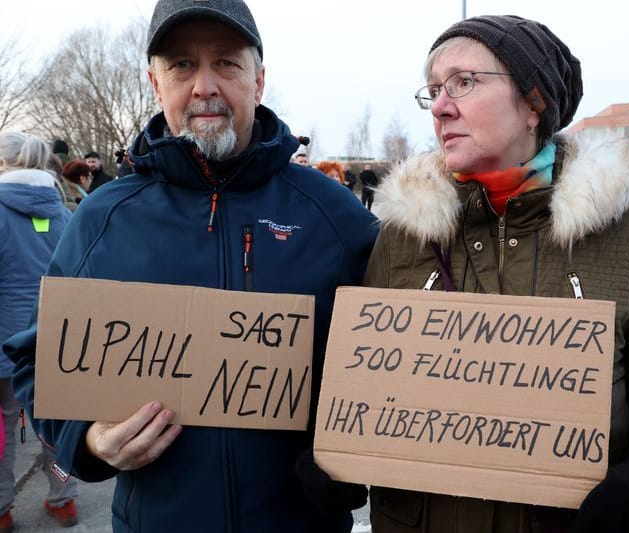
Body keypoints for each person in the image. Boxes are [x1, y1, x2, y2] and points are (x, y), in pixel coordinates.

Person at [2, 1, 376, 531]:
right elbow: (37, 361)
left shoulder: (337, 217)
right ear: (156, 84)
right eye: (181, 64)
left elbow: (388, 371)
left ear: (259, 81)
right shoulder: (103, 217)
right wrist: (87, 440)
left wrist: (354, 453)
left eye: (226, 63)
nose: (204, 86)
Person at [361, 15, 629, 533]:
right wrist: (338, 455)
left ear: (534, 103)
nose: (440, 106)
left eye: (464, 81)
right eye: (434, 89)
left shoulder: (627, 237)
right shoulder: (403, 237)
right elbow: (366, 382)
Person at [0, 131, 76, 531]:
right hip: (55, 342)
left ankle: (2, 509)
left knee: (2, 432)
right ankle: (63, 499)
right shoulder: (64, 214)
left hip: (4, 344)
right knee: (53, 430)